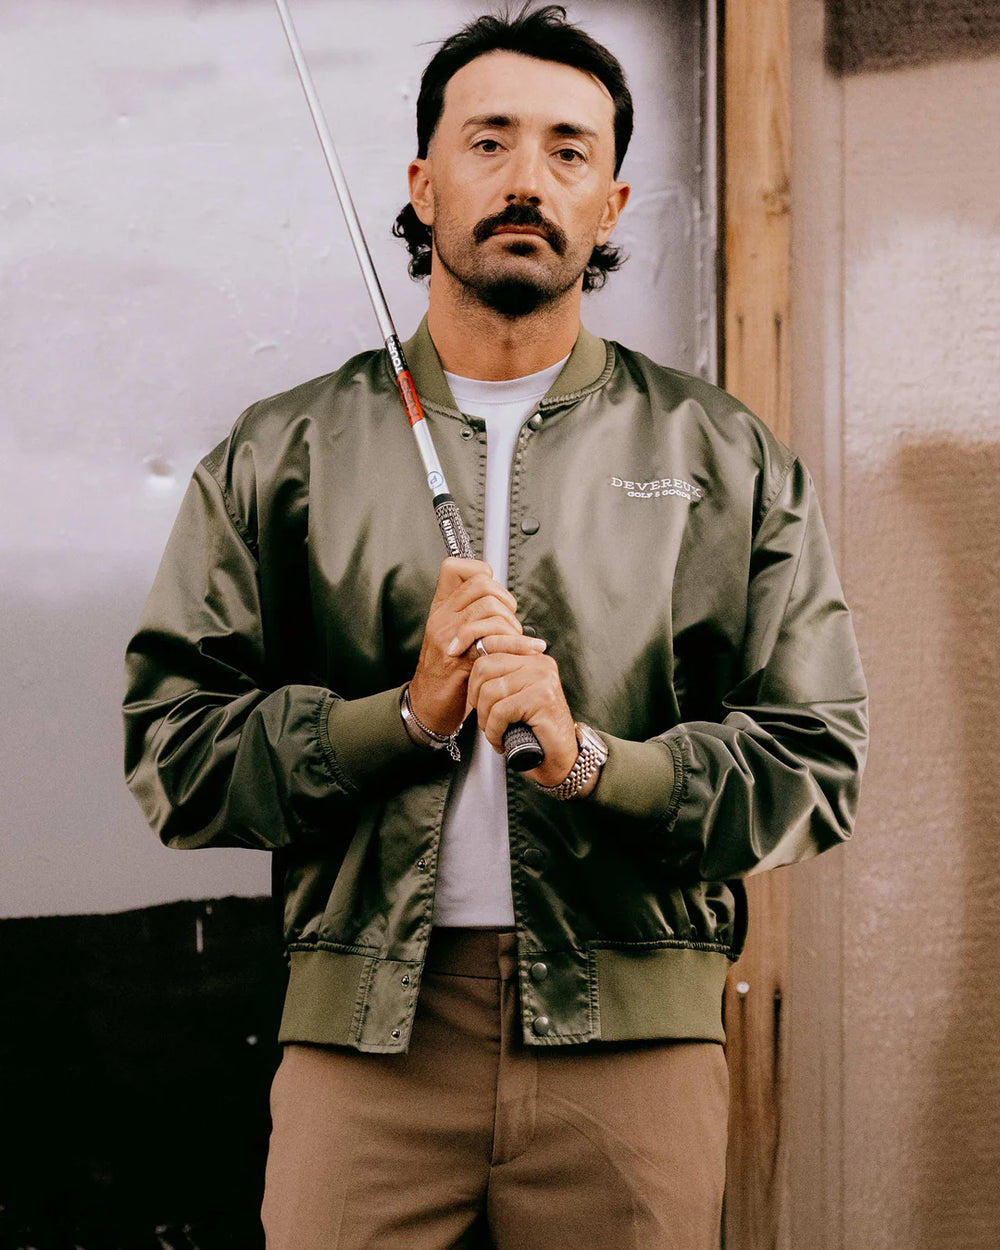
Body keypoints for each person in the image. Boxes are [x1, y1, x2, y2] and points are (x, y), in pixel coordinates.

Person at [123, 6, 868, 1248]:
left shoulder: (722, 455)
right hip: (368, 1039)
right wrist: (402, 719)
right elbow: (175, 754)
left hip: (632, 1042)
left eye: (569, 149)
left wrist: (593, 761)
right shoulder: (283, 452)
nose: (528, 178)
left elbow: (814, 759)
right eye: (490, 140)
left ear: (611, 203)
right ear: (424, 184)